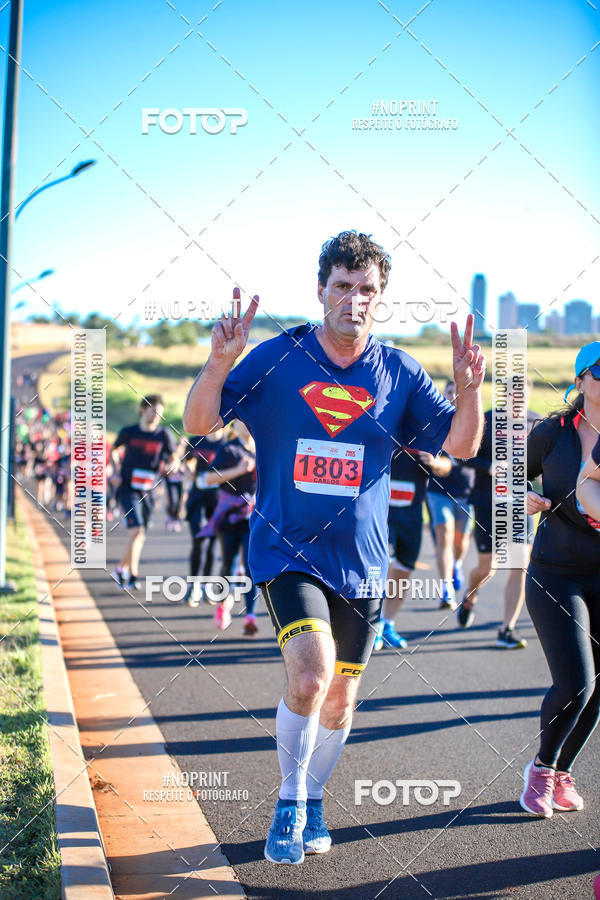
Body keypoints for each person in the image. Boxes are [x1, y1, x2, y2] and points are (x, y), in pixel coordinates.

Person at [183, 230, 484, 864]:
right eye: (343, 286)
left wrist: (469, 388)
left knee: (341, 699)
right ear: (321, 290)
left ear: (381, 297)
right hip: (287, 551)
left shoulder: (400, 372)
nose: (354, 299)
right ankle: (289, 803)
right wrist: (218, 364)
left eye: (366, 289)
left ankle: (314, 801)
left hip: (363, 564)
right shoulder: (277, 358)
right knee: (310, 675)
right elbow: (199, 423)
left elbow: (460, 446)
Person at [520, 342, 600, 818]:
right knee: (576, 682)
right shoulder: (552, 433)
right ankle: (541, 768)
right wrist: (524, 496)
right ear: (580, 381)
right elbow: (508, 480)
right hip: (557, 571)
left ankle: (563, 771)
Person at [457, 377, 539, 648]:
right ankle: (470, 595)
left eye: (524, 396)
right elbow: (462, 454)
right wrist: (489, 467)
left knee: (520, 565)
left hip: (521, 504)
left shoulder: (537, 423)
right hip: (488, 502)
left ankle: (507, 629)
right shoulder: (487, 419)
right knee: (487, 568)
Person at [374, 445, 449, 650]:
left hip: (411, 515)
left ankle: (388, 624)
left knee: (403, 570)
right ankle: (372, 625)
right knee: (382, 567)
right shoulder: (388, 427)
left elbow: (447, 464)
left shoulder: (427, 433)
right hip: (381, 513)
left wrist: (435, 463)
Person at [198, 419, 260, 635]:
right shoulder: (228, 449)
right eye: (242, 420)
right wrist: (238, 470)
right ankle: (223, 604)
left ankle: (250, 616)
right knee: (229, 563)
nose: (247, 423)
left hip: (253, 517)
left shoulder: (263, 447)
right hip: (229, 516)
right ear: (234, 426)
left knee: (252, 565)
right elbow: (207, 478)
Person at [111, 395, 176, 591]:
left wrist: (172, 465)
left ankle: (120, 568)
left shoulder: (164, 435)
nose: (156, 416)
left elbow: (174, 457)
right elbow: (114, 450)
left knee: (139, 536)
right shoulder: (129, 432)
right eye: (153, 411)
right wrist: (116, 470)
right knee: (137, 532)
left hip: (149, 491)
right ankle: (132, 576)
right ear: (142, 410)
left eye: (159, 414)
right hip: (128, 488)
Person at [425, 380, 475, 611]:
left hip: (466, 491)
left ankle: (457, 564)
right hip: (438, 490)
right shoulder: (434, 422)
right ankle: (446, 590)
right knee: (444, 534)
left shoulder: (474, 420)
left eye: (457, 392)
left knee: (460, 541)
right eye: (449, 392)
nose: (453, 396)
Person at [182, 426, 226, 606]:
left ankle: (206, 586)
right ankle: (193, 587)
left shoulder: (227, 445)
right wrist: (189, 472)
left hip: (218, 500)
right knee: (198, 540)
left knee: (211, 545)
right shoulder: (196, 440)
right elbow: (186, 462)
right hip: (197, 497)